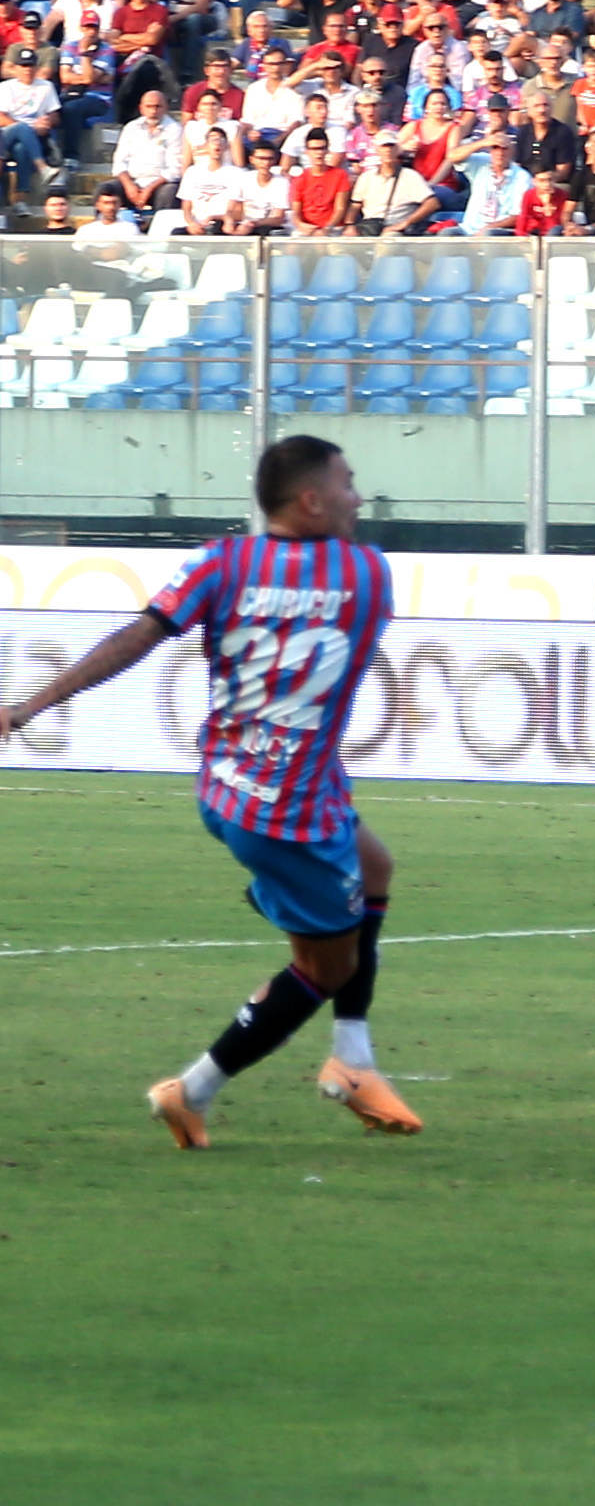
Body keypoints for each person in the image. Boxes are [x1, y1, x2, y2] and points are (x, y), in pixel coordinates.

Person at [0, 438, 419, 1148]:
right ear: (310, 500)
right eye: (347, 484)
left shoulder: (221, 562)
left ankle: (355, 1057)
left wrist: (28, 706)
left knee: (375, 866)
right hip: (293, 812)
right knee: (327, 968)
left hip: (227, 786)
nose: (358, 498)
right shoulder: (366, 571)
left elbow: (137, 638)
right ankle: (194, 1089)